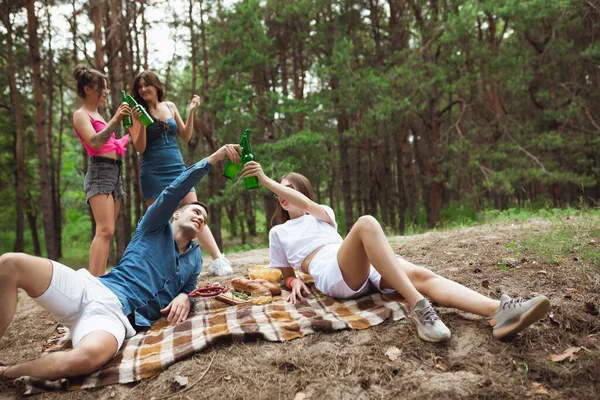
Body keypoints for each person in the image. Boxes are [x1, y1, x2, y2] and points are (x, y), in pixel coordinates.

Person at [0, 144, 241, 382]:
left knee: (87, 359)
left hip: (115, 320)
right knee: (11, 264)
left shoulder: (195, 259)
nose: (200, 217)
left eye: (204, 219)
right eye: (195, 211)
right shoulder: (153, 225)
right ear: (176, 213)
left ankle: (6, 373)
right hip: (91, 289)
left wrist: (184, 297)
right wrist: (214, 158)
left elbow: (190, 289)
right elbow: (173, 191)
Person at [241, 162, 551, 343]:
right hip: (332, 273)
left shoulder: (322, 212)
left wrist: (267, 179)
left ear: (301, 194)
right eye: (276, 191)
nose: (279, 195)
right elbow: (284, 273)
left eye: (286, 189)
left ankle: (499, 312)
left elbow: (309, 206)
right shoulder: (278, 232)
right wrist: (294, 282)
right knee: (366, 224)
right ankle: (420, 308)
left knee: (421, 275)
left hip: (355, 259)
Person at [129, 70, 232, 275]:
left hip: (177, 166)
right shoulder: (136, 113)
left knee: (194, 211)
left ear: (156, 86)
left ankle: (219, 259)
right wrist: (139, 123)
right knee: (159, 220)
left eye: (146, 84)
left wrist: (191, 111)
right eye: (139, 87)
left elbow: (185, 135)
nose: (143, 89)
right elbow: (139, 148)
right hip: (153, 171)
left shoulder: (170, 106)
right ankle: (163, 267)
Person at [72, 65, 131, 277]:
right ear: (88, 89)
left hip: (114, 173)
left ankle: (100, 279)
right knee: (104, 230)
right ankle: (93, 283)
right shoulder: (81, 115)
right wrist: (116, 119)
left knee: (109, 232)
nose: (106, 92)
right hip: (100, 172)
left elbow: (111, 144)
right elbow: (95, 143)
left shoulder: (98, 115)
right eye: (102, 88)